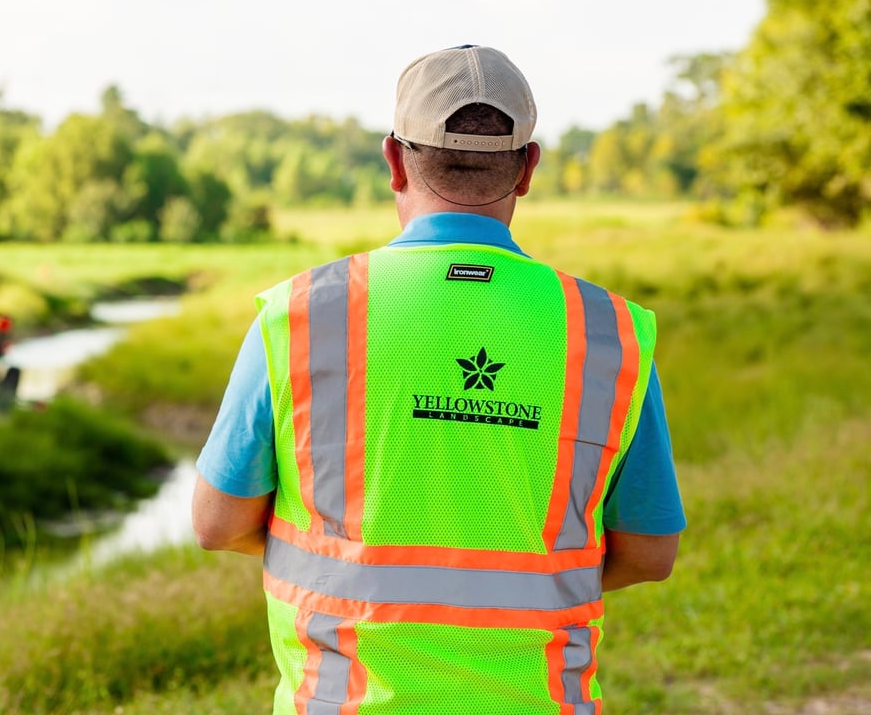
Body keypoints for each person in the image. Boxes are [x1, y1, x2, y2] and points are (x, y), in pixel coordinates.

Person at [192, 45, 686, 713]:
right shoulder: (610, 332)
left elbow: (217, 525)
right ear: (528, 167)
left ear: (394, 159)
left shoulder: (298, 316)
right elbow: (650, 553)